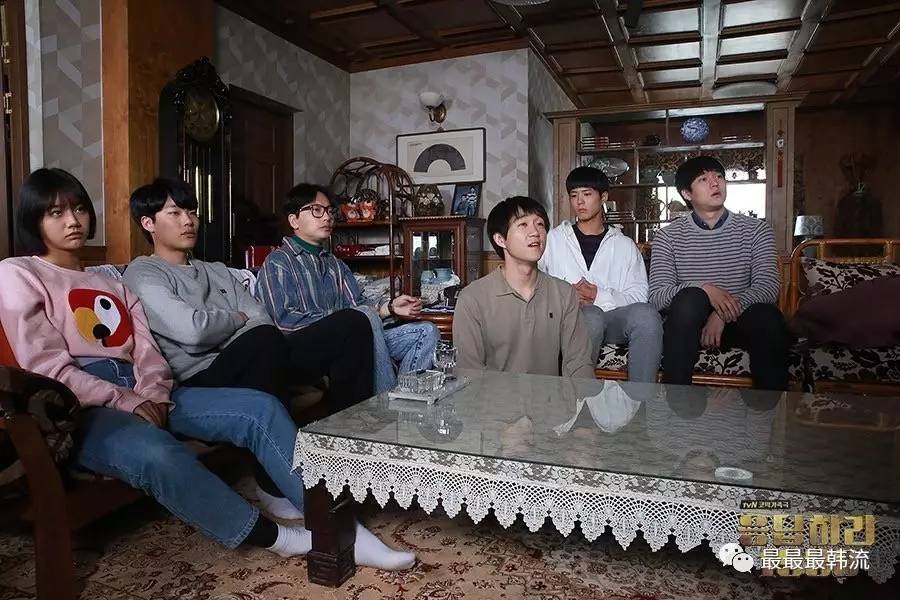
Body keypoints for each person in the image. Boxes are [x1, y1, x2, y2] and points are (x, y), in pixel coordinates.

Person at [0, 168, 415, 569]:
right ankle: (280, 538)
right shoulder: (20, 273)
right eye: (56, 212)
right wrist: (125, 400)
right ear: (34, 219)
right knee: (157, 452)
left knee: (261, 408)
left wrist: (153, 393)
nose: (72, 221)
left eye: (79, 209)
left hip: (152, 391)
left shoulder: (113, 283)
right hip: (82, 406)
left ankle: (342, 526)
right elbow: (46, 366)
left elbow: (147, 351)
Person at [123, 178, 375, 413]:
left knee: (352, 322)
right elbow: (194, 332)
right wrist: (236, 318)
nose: (188, 221)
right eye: (175, 213)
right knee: (262, 340)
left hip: (260, 353)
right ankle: (286, 416)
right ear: (148, 223)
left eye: (192, 212)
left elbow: (260, 318)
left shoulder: (217, 270)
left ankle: (348, 428)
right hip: (204, 373)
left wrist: (225, 327)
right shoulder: (143, 272)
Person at [256, 183, 440, 394]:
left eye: (329, 211)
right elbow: (284, 322)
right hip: (301, 352)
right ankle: (385, 404)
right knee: (359, 319)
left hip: (350, 339)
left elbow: (359, 305)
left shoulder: (335, 264)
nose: (327, 217)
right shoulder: (278, 262)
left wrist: (390, 307)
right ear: (294, 220)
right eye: (317, 210)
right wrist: (342, 320)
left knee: (427, 332)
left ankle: (404, 400)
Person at [648, 156, 789, 390]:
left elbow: (767, 287)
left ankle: (771, 411)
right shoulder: (668, 236)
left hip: (741, 322)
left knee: (768, 316)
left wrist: (722, 313)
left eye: (719, 177)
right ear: (687, 194)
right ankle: (678, 405)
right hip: (687, 326)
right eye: (703, 179)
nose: (715, 183)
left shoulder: (756, 230)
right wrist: (705, 290)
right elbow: (657, 296)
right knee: (690, 299)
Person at [539, 166, 662, 382]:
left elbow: (639, 296)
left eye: (587, 194)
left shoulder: (625, 245)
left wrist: (598, 295)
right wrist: (566, 296)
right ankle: (575, 399)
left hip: (614, 320)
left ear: (603, 197)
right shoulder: (553, 240)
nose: (580, 202)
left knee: (647, 315)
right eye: (574, 195)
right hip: (568, 320)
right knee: (591, 316)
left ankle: (641, 399)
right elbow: (536, 284)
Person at [453, 196, 594, 378]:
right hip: (493, 396)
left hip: (550, 396)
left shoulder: (564, 294)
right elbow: (469, 372)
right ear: (500, 239)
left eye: (540, 224)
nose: (535, 232)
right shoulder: (472, 298)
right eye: (523, 225)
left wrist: (584, 394)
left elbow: (579, 364)